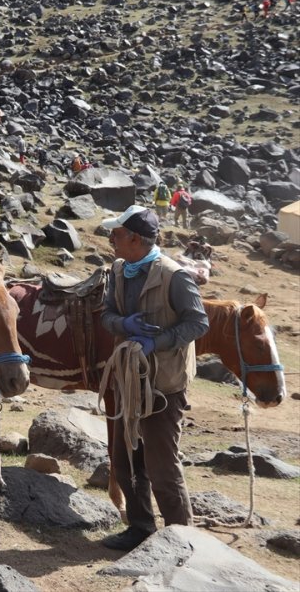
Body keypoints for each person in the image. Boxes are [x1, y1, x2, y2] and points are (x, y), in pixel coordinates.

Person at [99, 205, 209, 551]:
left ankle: (182, 539)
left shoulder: (175, 276)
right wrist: (123, 325)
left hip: (163, 386)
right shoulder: (119, 270)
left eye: (115, 234)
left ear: (134, 238)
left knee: (162, 467)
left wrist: (156, 341)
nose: (111, 240)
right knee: (126, 459)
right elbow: (107, 314)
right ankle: (141, 527)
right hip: (128, 381)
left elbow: (198, 323)